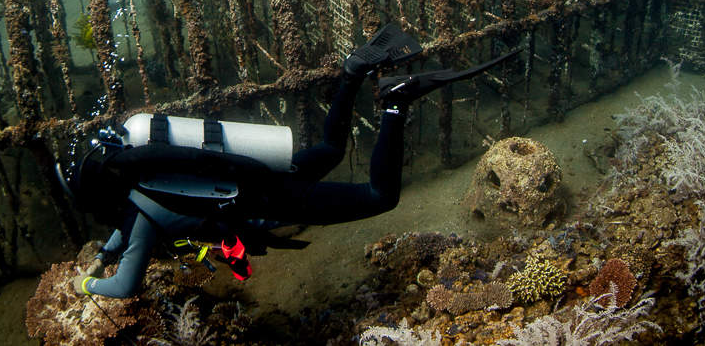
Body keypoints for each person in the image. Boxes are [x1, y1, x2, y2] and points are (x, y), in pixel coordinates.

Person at [59, 25, 515, 299]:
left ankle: (395, 103)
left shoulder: (140, 215)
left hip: (276, 197)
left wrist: (83, 286)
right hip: (265, 171)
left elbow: (123, 287)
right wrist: (105, 254)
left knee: (381, 198)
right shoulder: (140, 176)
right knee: (332, 149)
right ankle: (352, 73)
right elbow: (126, 234)